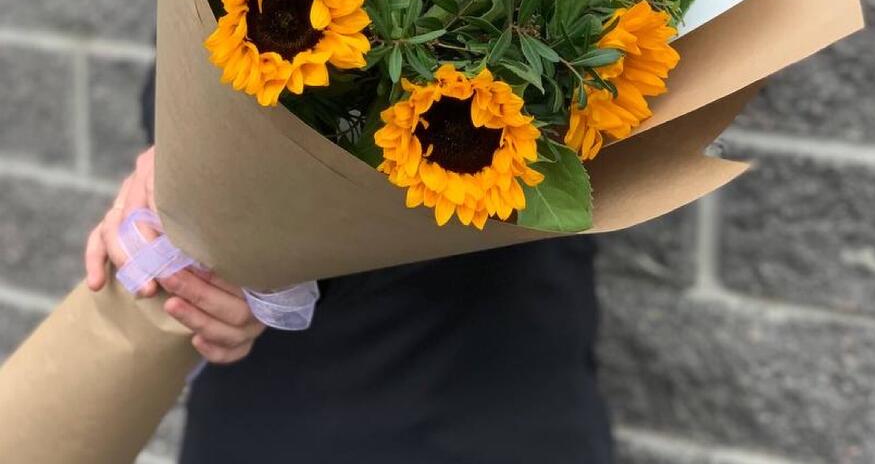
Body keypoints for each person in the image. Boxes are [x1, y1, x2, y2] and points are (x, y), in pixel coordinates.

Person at [84, 68, 614, 464]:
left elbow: (601, 116)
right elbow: (196, 50)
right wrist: (179, 176)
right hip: (281, 399)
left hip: (487, 380)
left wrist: (259, 226)